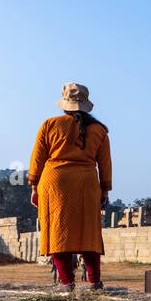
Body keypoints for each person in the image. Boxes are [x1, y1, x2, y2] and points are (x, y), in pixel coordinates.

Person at [28, 82, 112, 289]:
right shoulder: (100, 130)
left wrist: (33, 186)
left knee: (58, 231)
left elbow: (37, 159)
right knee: (89, 233)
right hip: (86, 182)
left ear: (64, 103)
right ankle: (94, 281)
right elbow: (105, 164)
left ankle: (66, 283)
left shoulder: (49, 124)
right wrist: (105, 190)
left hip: (54, 182)